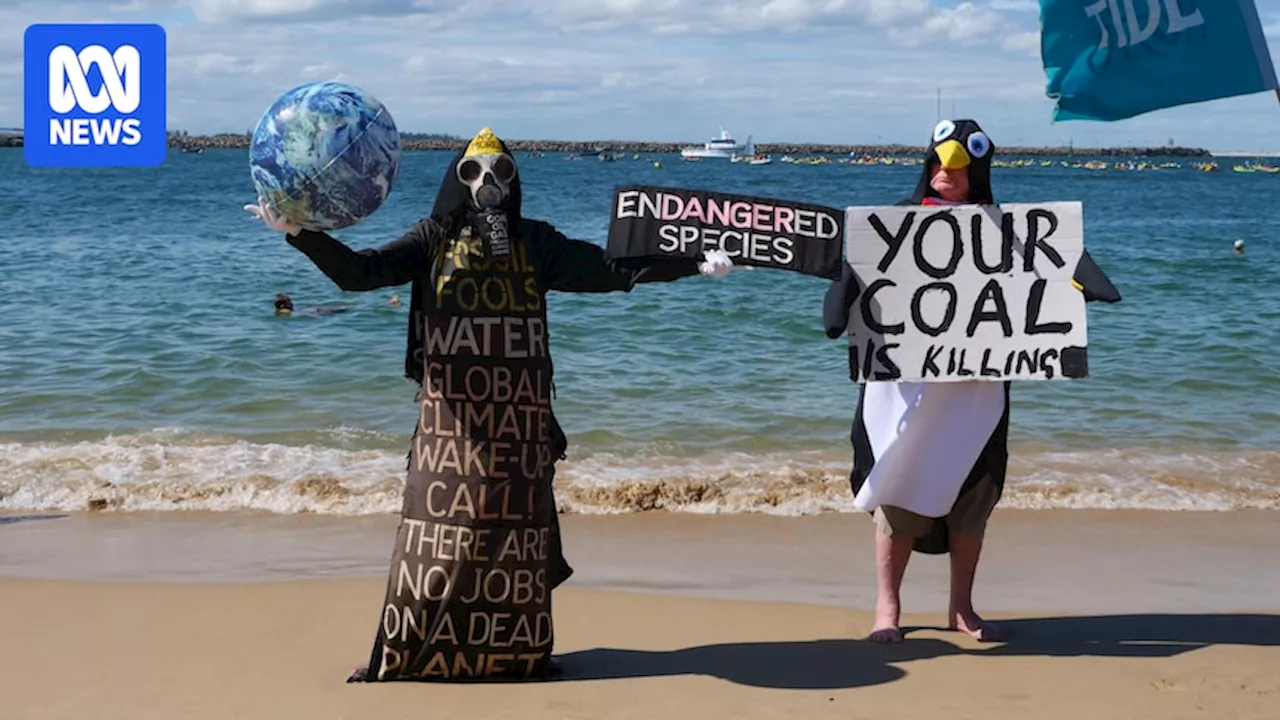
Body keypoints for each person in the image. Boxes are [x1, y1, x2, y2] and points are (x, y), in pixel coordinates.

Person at [245, 126, 733, 682]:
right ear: (459, 181)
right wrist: (299, 234)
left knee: (515, 541)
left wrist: (693, 262)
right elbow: (362, 274)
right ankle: (407, 653)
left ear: (514, 182)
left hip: (518, 422)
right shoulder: (433, 238)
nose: (489, 183)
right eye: (475, 173)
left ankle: (515, 653)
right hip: (449, 425)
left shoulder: (535, 242)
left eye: (501, 173)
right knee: (435, 538)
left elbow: (611, 270)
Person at [822, 119, 1121, 644]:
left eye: (958, 168)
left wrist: (1087, 285)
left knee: (974, 496)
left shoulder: (1003, 227)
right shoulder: (896, 222)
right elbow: (855, 276)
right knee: (897, 492)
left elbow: (1054, 259)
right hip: (904, 392)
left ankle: (962, 608)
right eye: (939, 164)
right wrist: (838, 305)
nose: (946, 174)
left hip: (978, 391)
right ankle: (887, 608)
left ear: (978, 173)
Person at [273, 292, 352, 316]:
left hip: (316, 310)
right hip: (317, 311)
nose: (292, 304)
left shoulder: (283, 311)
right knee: (343, 309)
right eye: (289, 302)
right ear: (283, 305)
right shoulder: (285, 311)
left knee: (343, 309)